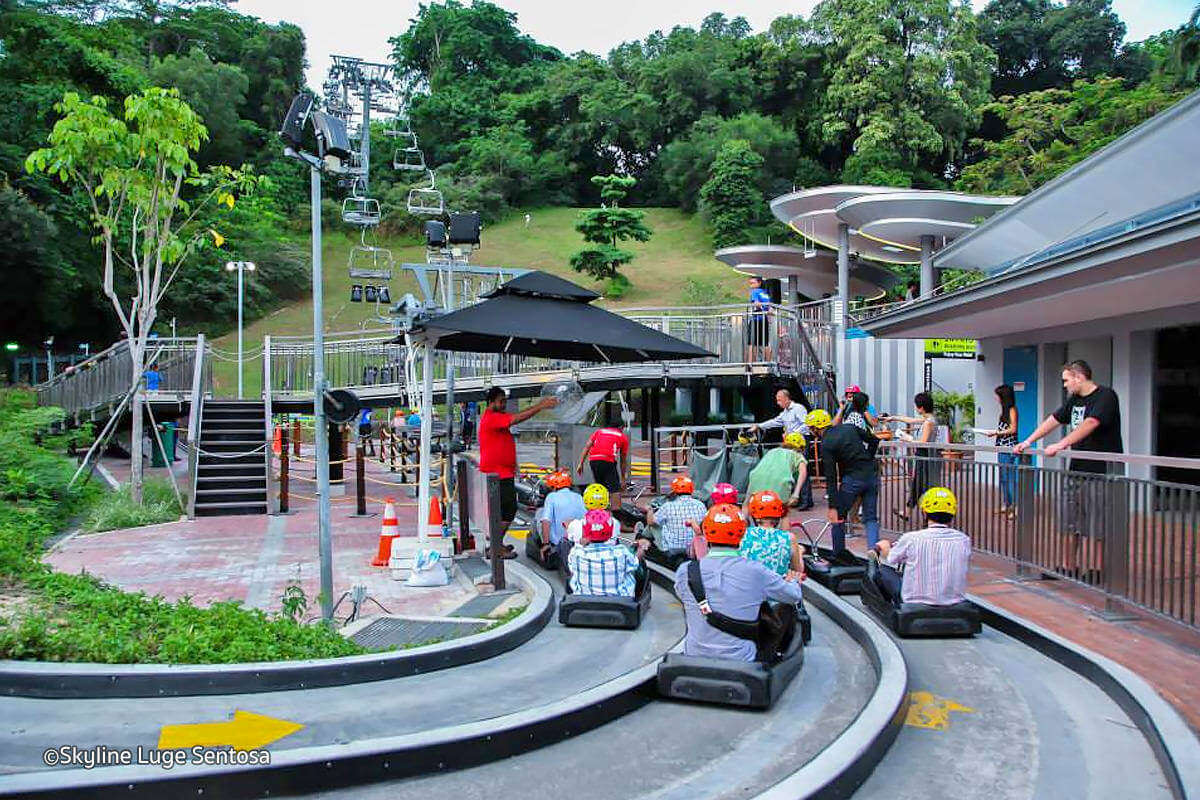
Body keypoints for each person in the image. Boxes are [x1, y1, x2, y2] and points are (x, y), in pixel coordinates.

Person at [1015, 360, 1123, 580]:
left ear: (1078, 377)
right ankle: (1068, 566)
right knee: (1068, 518)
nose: (1064, 385)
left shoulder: (1106, 396)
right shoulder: (1074, 400)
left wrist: (1061, 444)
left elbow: (1092, 422)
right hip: (1076, 469)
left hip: (1101, 470)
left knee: (1097, 521)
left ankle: (1096, 570)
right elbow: (1054, 419)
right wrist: (1028, 441)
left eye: (1066, 380)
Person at [674, 504, 804, 663]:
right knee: (785, 608)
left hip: (694, 654)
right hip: (742, 658)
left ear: (706, 534)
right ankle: (774, 657)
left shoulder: (685, 571)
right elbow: (794, 596)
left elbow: (682, 595)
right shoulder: (756, 572)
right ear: (742, 534)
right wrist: (793, 580)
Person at [478, 386, 559, 559]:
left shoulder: (495, 417)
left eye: (505, 401)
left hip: (502, 472)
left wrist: (514, 464)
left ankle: (496, 544)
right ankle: (494, 546)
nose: (504, 404)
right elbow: (515, 419)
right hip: (497, 474)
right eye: (501, 401)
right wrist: (540, 406)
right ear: (491, 402)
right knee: (508, 510)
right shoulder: (492, 418)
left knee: (503, 510)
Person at [870, 487, 971, 607]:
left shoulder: (911, 538)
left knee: (882, 572)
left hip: (914, 602)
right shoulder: (963, 540)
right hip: (954, 601)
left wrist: (884, 547)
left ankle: (892, 609)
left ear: (924, 512)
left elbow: (891, 558)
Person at [811, 407, 881, 552]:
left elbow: (831, 477)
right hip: (871, 474)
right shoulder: (850, 428)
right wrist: (868, 456)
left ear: (816, 429)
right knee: (871, 518)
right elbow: (874, 440)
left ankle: (839, 554)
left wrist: (832, 506)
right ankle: (873, 555)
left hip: (852, 478)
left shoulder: (826, 443)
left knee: (839, 516)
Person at [568, 509, 648, 597]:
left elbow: (572, 570)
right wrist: (641, 548)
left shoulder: (576, 553)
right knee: (633, 568)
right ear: (610, 530)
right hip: (620, 602)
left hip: (584, 600)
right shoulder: (621, 552)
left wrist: (583, 544)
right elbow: (635, 562)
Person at [891, 392, 939, 522]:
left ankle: (924, 515)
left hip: (924, 455)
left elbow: (922, 442)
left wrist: (907, 438)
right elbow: (911, 420)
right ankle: (916, 513)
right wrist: (894, 418)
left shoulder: (929, 422)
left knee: (920, 485)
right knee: (920, 485)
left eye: (917, 406)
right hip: (926, 456)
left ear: (921, 407)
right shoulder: (929, 419)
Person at [740, 490, 804, 577]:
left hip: (748, 587)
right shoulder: (789, 538)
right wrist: (799, 551)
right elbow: (799, 570)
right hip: (777, 588)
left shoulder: (743, 534)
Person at [745, 432, 809, 516]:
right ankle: (783, 529)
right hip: (780, 481)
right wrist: (796, 494)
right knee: (783, 512)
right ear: (801, 447)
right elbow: (803, 472)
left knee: (747, 504)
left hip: (756, 478)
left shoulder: (772, 451)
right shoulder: (797, 455)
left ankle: (743, 525)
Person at [645, 475, 707, 556]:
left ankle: (642, 538)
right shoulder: (701, 505)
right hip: (695, 547)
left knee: (653, 525)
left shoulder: (668, 506)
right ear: (691, 489)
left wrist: (649, 510)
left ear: (674, 490)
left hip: (672, 548)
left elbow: (651, 522)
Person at [537, 469, 586, 565]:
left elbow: (546, 521)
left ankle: (545, 542)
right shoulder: (579, 497)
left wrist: (546, 544)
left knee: (539, 513)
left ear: (554, 487)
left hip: (558, 542)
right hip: (579, 540)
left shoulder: (551, 497)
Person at [985, 384, 1019, 518]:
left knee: (1009, 477)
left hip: (1008, 447)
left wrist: (996, 433)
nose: (995, 398)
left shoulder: (1012, 410)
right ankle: (1007, 503)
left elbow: (1013, 429)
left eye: (997, 395)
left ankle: (1016, 506)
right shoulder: (1003, 411)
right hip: (1001, 446)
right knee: (1003, 478)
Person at [577, 424, 630, 510]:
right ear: (622, 427)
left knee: (600, 487)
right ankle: (616, 514)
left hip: (594, 461)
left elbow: (587, 446)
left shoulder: (599, 431)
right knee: (615, 488)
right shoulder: (622, 436)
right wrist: (623, 478)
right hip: (608, 461)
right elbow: (623, 460)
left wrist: (581, 463)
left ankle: (599, 509)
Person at [745, 276, 772, 362]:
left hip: (756, 319)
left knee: (751, 343)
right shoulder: (766, 293)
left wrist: (759, 306)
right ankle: (768, 364)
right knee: (765, 343)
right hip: (764, 319)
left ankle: (750, 365)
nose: (751, 285)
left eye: (753, 283)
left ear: (759, 283)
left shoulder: (755, 292)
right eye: (750, 283)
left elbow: (756, 303)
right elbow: (769, 308)